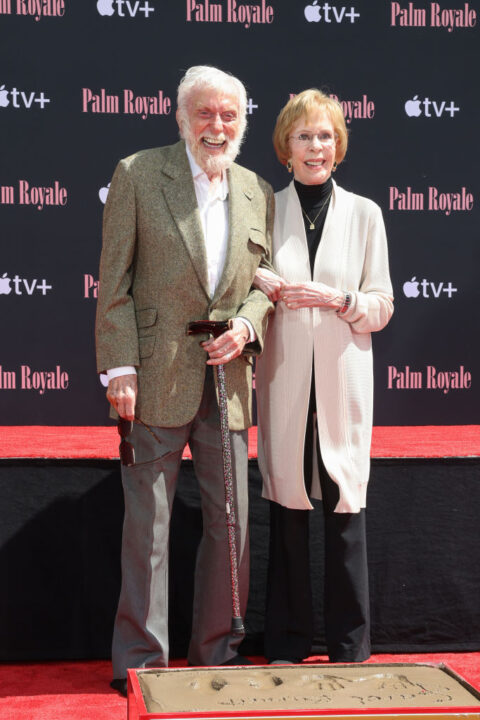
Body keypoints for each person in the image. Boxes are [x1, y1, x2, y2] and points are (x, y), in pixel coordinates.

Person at [95, 65, 274, 695]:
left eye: (229, 115)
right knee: (149, 525)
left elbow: (264, 283)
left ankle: (218, 653)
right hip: (154, 377)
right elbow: (112, 284)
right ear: (181, 118)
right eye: (205, 113)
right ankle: (142, 659)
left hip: (228, 382)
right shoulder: (139, 174)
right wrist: (120, 368)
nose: (217, 126)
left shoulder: (256, 190)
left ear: (242, 124)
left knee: (233, 521)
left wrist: (248, 326)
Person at [254, 89, 393, 665]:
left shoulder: (365, 214)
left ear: (339, 148)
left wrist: (341, 299)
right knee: (287, 510)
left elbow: (382, 305)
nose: (317, 146)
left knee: (344, 512)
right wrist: (258, 281)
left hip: (341, 383)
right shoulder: (262, 207)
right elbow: (242, 279)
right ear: (285, 148)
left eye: (327, 136)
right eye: (305, 136)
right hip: (284, 379)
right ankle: (285, 642)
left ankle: (348, 645)